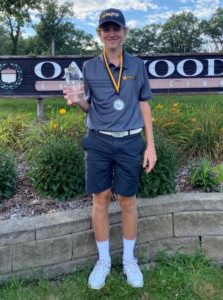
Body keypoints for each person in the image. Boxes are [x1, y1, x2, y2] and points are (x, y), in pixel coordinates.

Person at [63, 7, 157, 290]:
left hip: (130, 141)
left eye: (117, 28)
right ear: (100, 34)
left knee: (127, 200)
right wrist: (76, 99)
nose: (112, 33)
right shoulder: (90, 67)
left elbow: (144, 105)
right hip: (99, 140)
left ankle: (129, 259)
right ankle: (103, 261)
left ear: (124, 32)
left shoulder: (137, 66)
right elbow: (88, 107)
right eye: (107, 29)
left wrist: (150, 146)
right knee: (100, 199)